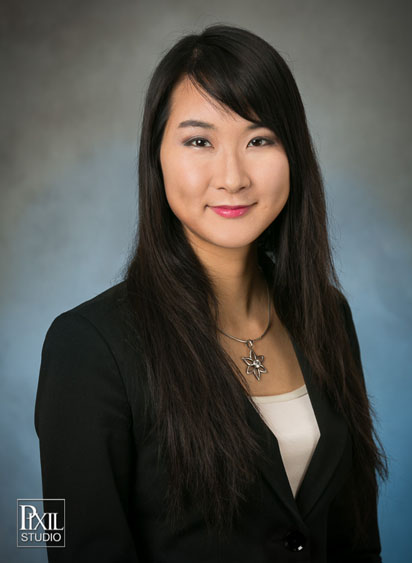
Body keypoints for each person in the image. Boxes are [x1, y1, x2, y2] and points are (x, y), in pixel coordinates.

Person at [34, 23, 389, 562]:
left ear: (294, 154)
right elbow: (56, 537)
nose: (232, 176)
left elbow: (357, 536)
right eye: (199, 141)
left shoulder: (327, 315)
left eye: (259, 140)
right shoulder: (86, 345)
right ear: (156, 155)